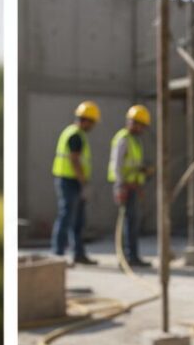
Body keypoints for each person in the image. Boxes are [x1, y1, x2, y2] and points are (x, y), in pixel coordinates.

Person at [51, 101, 100, 265]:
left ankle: (79, 254)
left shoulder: (76, 134)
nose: (92, 126)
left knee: (78, 219)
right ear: (86, 120)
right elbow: (75, 161)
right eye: (92, 122)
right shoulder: (75, 135)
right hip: (69, 181)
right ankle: (58, 255)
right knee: (66, 216)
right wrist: (84, 183)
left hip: (72, 181)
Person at [108, 104, 153, 267]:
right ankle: (127, 257)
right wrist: (120, 187)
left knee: (132, 222)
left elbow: (132, 165)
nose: (142, 129)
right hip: (125, 187)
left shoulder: (135, 140)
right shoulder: (124, 139)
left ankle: (132, 256)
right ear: (135, 123)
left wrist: (143, 171)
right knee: (128, 222)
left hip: (133, 186)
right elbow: (117, 165)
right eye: (141, 125)